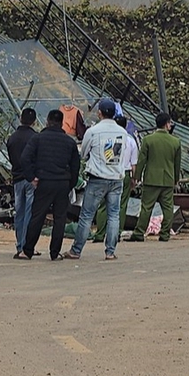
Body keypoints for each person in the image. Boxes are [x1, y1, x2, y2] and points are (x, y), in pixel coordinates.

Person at [70, 99, 130, 260]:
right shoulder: (123, 132)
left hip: (97, 178)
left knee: (87, 215)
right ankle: (110, 251)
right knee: (114, 215)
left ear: (99, 113)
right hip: (116, 178)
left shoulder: (93, 131)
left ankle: (76, 250)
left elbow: (83, 153)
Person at [20, 107, 81, 260]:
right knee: (60, 218)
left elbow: (25, 158)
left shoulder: (38, 139)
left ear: (47, 121)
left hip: (44, 181)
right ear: (61, 123)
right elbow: (76, 166)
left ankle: (27, 250)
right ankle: (55, 253)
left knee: (37, 216)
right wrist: (70, 184)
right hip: (62, 183)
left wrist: (31, 177)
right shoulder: (69, 142)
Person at [130, 114, 182, 242]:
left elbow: (142, 160)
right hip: (168, 179)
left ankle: (139, 233)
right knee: (168, 208)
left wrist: (136, 177)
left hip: (151, 179)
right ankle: (165, 234)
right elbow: (177, 164)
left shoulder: (148, 140)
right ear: (167, 124)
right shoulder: (176, 141)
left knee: (146, 207)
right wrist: (176, 179)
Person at [6, 107, 40, 258]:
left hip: (18, 178)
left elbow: (11, 158)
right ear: (33, 122)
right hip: (32, 179)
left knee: (19, 213)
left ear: (21, 119)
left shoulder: (12, 138)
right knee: (29, 213)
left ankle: (20, 244)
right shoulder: (36, 138)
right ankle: (27, 245)